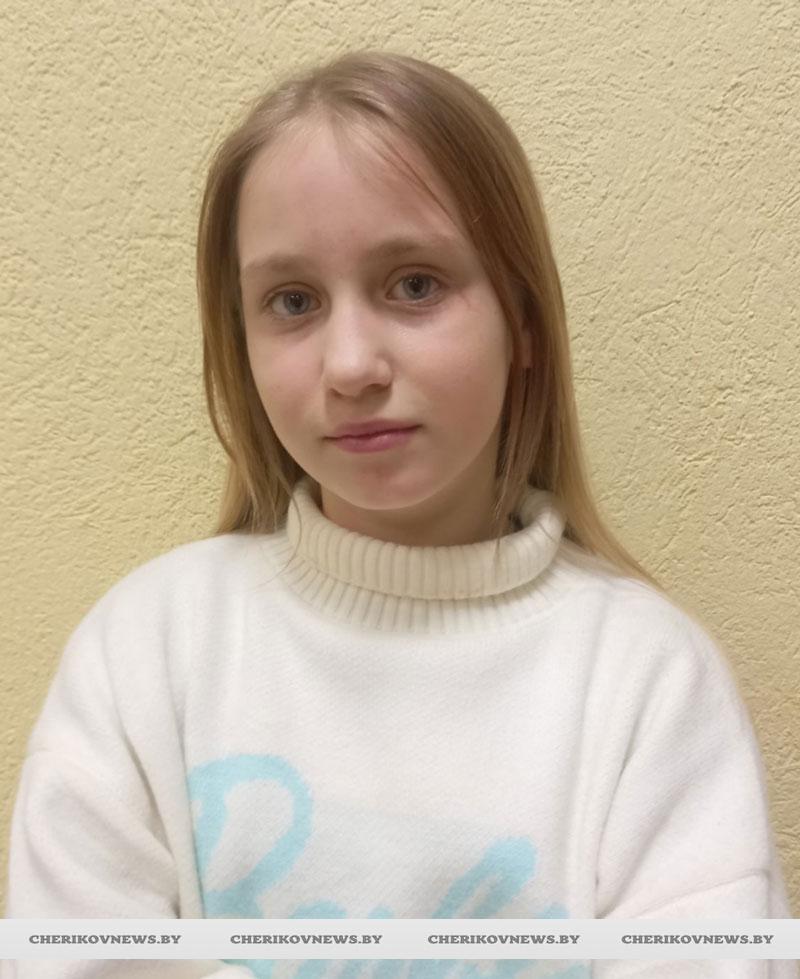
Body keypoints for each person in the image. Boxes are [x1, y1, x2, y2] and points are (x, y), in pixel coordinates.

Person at [3, 49, 794, 979]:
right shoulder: (146, 648)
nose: (351, 366)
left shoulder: (650, 679)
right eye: (292, 301)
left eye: (415, 284)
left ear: (524, 320)